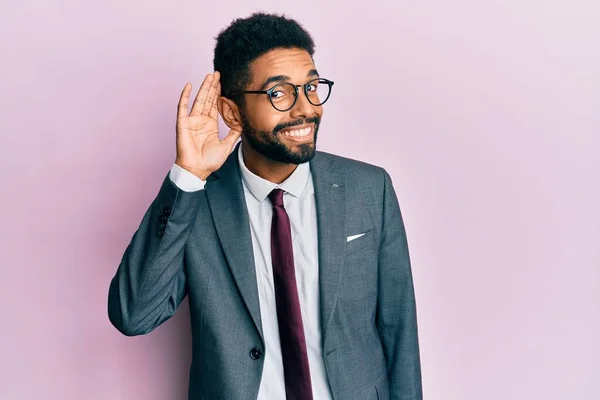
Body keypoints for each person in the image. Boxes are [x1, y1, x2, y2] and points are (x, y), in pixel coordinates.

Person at [107, 12, 422, 400]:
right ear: (231, 112)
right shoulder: (197, 201)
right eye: (279, 93)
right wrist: (188, 176)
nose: (305, 109)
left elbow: (399, 329)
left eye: (311, 87)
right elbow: (134, 314)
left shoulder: (369, 189)